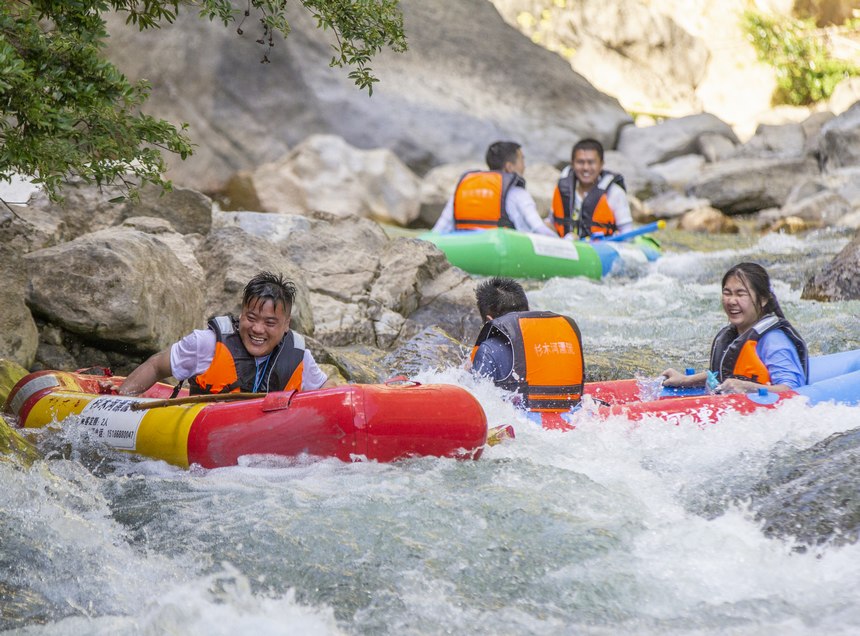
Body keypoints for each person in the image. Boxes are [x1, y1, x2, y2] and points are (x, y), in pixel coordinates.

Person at [113, 271, 333, 396]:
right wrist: (122, 400)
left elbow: (328, 393)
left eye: (270, 322)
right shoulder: (206, 343)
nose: (257, 329)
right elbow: (155, 366)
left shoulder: (299, 357)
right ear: (241, 314)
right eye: (252, 318)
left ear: (286, 325)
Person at [662, 262, 808, 394]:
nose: (731, 301)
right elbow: (724, 375)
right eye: (727, 293)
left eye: (740, 294)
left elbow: (792, 392)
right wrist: (686, 380)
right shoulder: (734, 336)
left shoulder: (774, 341)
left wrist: (749, 387)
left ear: (763, 299)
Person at [471, 277, 584, 411]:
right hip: (574, 417)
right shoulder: (564, 333)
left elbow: (477, 402)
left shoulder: (489, 349)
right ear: (527, 309)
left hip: (523, 423)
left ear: (489, 319)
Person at [431, 141, 558, 237]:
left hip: (462, 246)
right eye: (522, 160)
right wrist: (563, 242)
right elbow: (538, 228)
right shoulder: (517, 193)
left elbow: (440, 228)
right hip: (501, 250)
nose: (524, 166)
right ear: (509, 167)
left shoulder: (465, 188)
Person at [550, 138, 633, 239]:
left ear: (601, 164)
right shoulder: (564, 188)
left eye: (591, 162)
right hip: (566, 245)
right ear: (572, 164)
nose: (586, 168)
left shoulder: (615, 193)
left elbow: (627, 233)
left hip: (601, 248)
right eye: (580, 162)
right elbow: (552, 221)